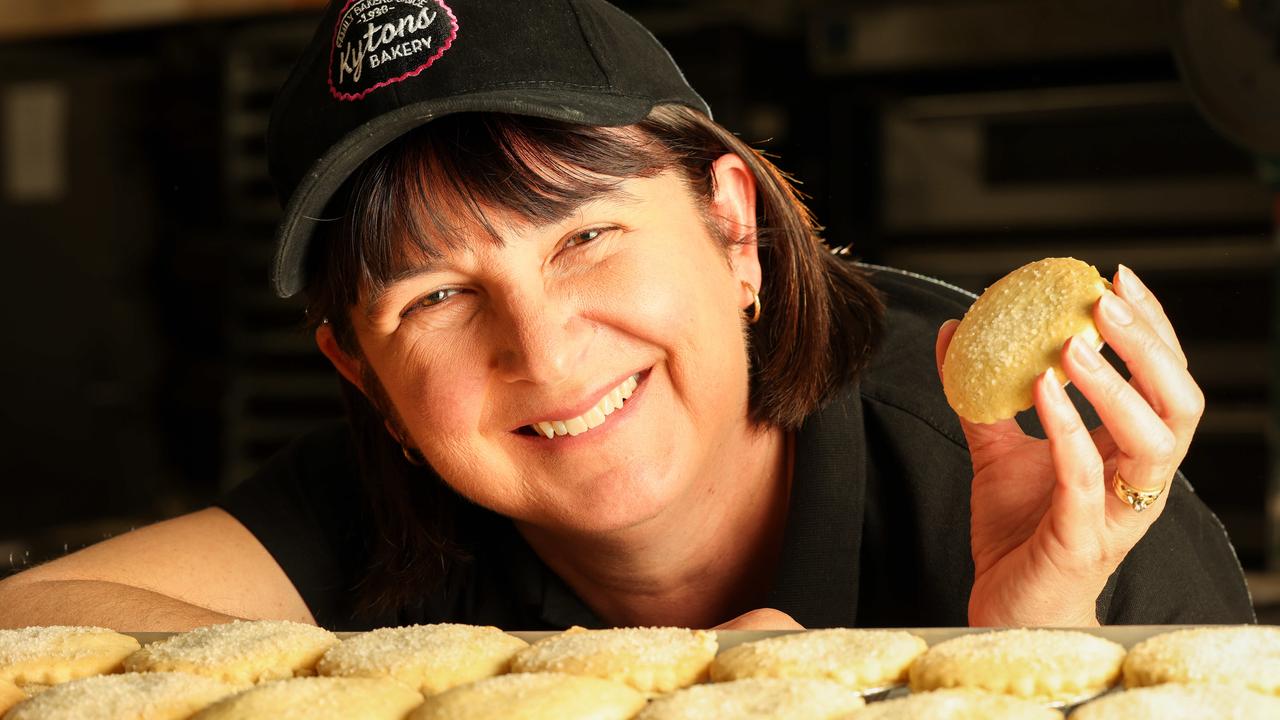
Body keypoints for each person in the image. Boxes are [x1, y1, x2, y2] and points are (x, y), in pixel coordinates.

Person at [0, 0, 1253, 632]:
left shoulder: (1068, 495)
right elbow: (26, 625)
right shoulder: (385, 507)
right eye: (434, 296)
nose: (540, 352)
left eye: (585, 235)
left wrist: (1024, 661)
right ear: (363, 376)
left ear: (730, 227)